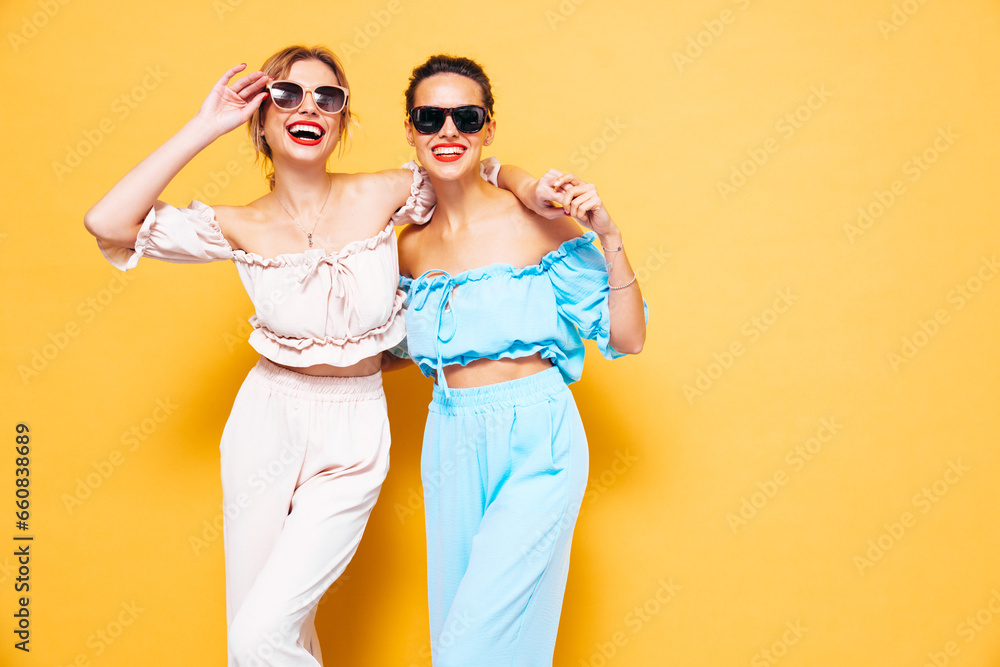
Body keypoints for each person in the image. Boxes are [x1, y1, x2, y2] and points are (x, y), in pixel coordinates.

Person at [83, 45, 545, 666]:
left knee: (262, 637)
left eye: (328, 97)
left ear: (341, 119)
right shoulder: (237, 225)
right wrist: (206, 125)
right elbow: (108, 221)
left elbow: (474, 166)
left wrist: (533, 185)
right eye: (287, 95)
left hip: (353, 428)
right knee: (254, 631)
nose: (309, 107)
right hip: (265, 420)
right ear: (262, 119)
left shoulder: (387, 193)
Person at [394, 54, 648, 666]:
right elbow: (390, 348)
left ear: (487, 127)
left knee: (474, 645)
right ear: (411, 130)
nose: (448, 131)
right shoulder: (407, 246)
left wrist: (609, 239)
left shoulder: (534, 219)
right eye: (431, 117)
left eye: (466, 116)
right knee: (457, 631)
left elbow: (628, 335)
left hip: (538, 435)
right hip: (450, 435)